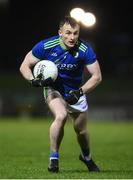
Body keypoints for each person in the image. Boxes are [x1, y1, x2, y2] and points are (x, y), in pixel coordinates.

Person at [19, 16, 102, 173]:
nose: (72, 37)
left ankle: (86, 157)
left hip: (76, 91)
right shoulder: (46, 46)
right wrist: (32, 80)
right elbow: (24, 65)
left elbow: (97, 76)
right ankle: (53, 159)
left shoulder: (84, 49)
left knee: (81, 131)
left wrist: (80, 92)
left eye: (75, 33)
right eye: (68, 33)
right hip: (53, 89)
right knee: (61, 116)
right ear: (60, 33)